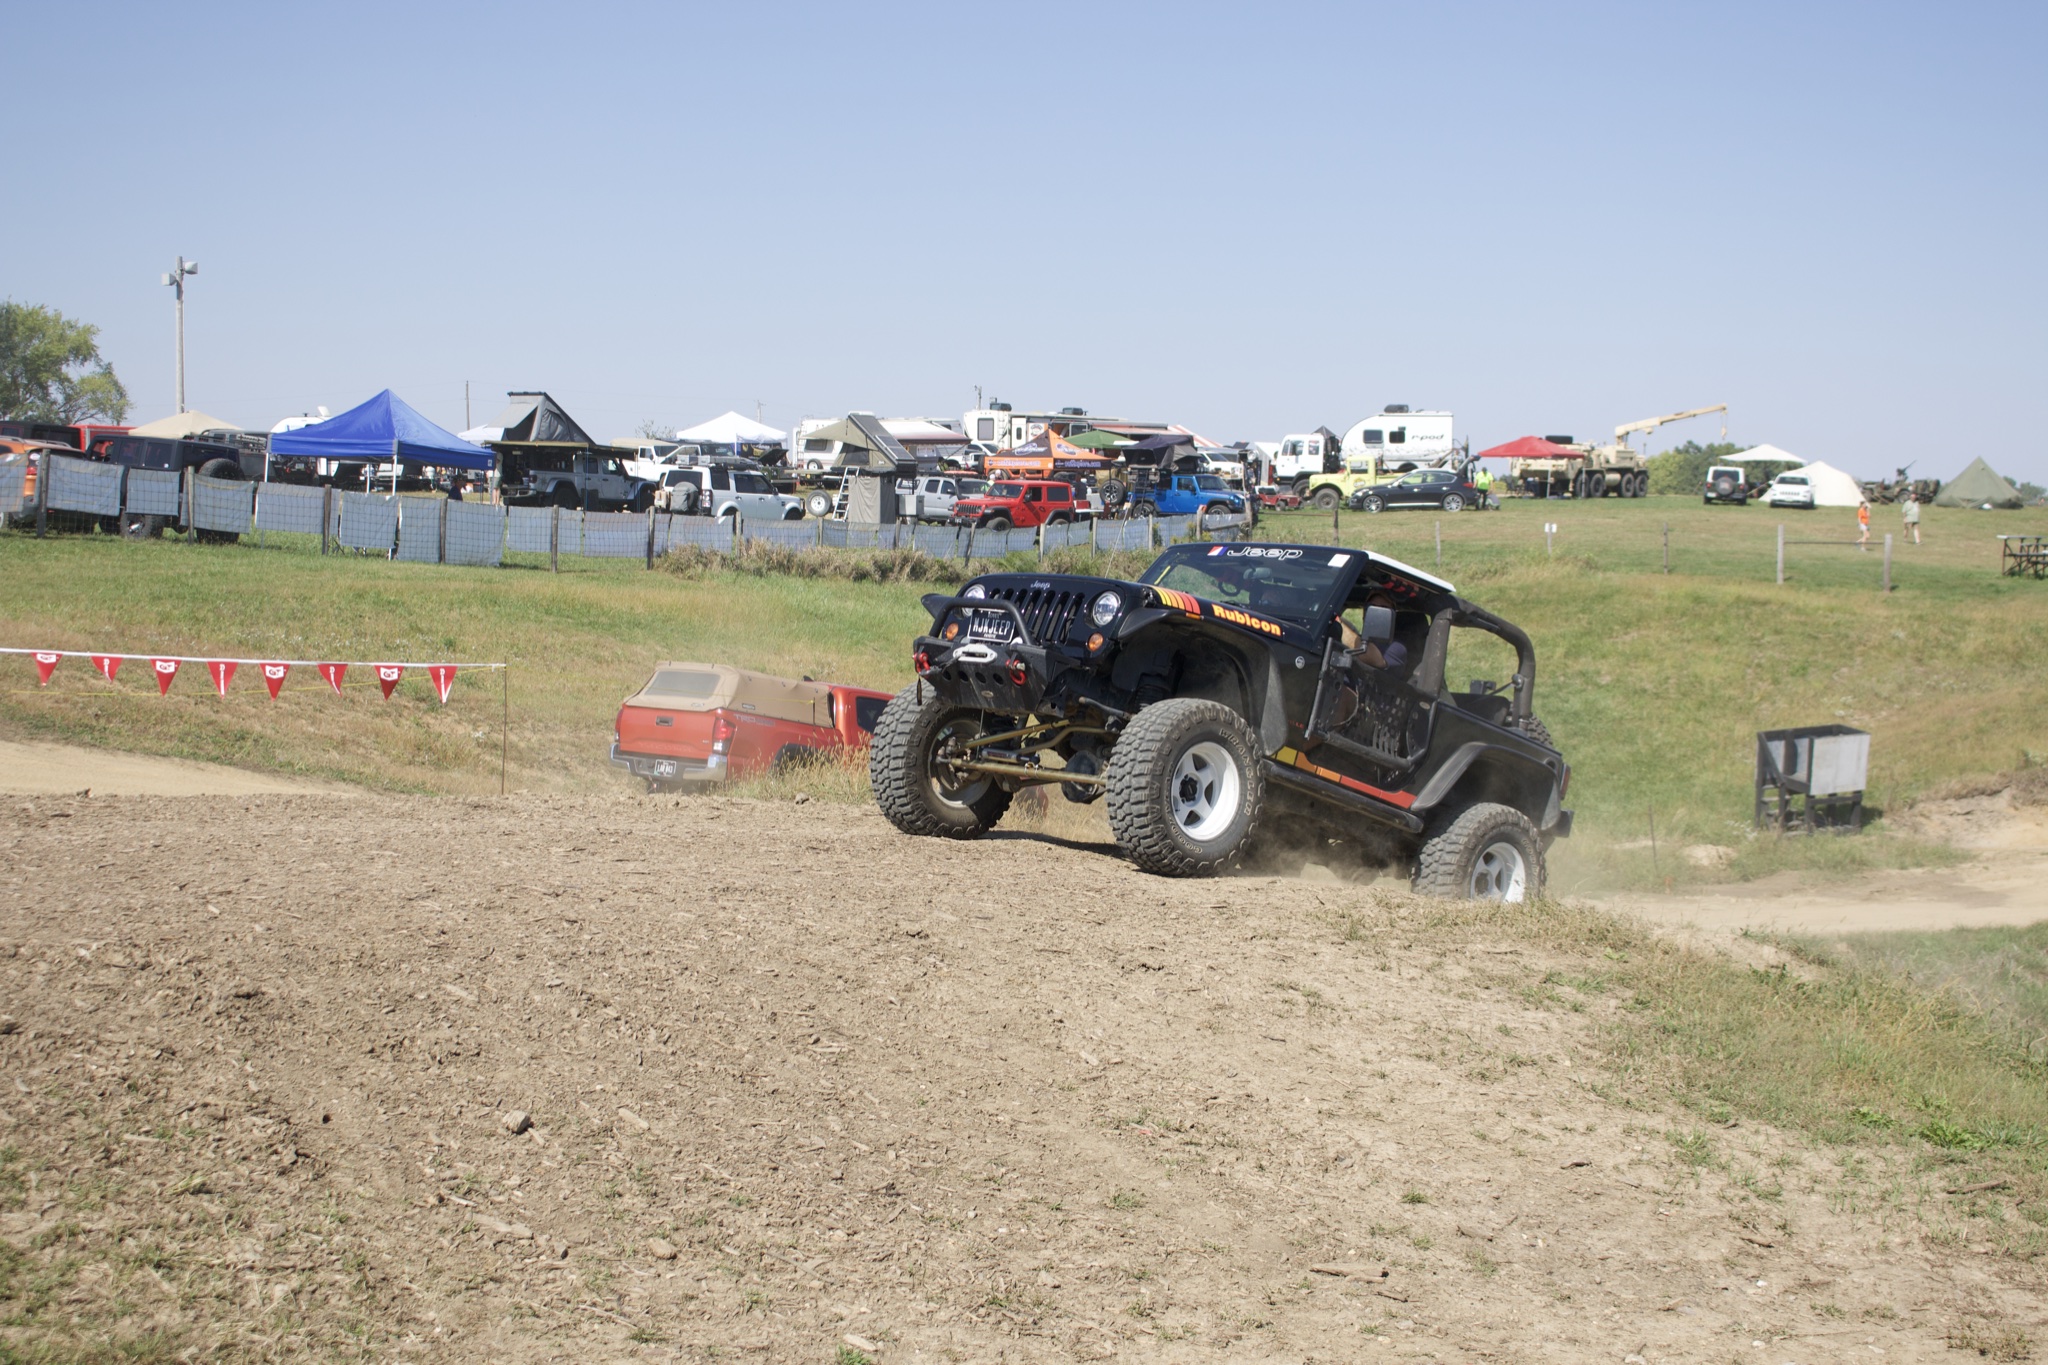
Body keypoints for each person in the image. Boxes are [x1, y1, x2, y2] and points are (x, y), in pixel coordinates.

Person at [1337, 590, 1409, 679]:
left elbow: (1368, 656)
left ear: (1392, 617)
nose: (1376, 613)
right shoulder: (1356, 637)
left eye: (1384, 609)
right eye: (1371, 607)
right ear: (1364, 614)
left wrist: (1337, 622)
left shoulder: (1396, 648)